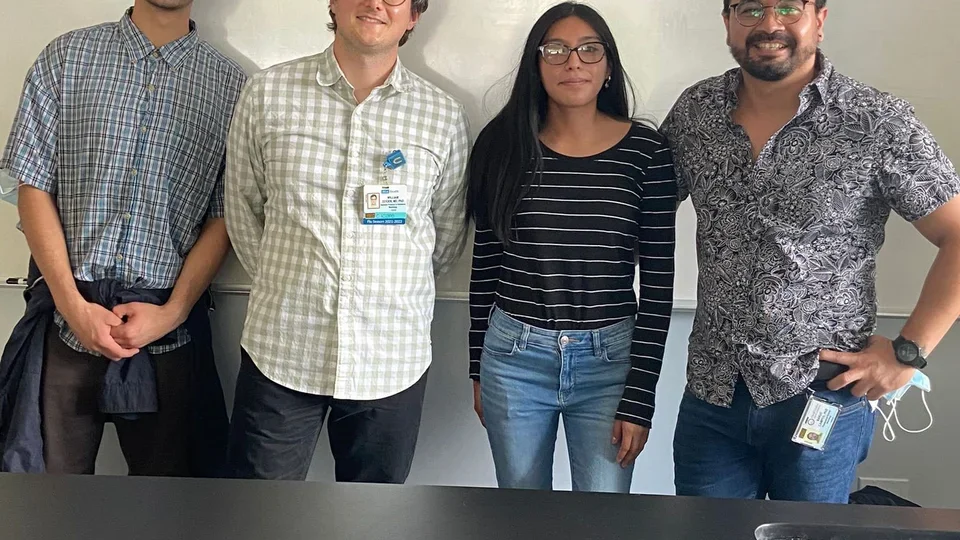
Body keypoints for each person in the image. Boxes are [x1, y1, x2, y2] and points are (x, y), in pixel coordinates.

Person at [661, 0, 960, 502]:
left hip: (823, 395)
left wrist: (908, 353)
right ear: (728, 22)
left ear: (819, 21)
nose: (769, 24)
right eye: (751, 9)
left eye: (787, 8)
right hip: (712, 395)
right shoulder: (696, 112)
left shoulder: (876, 120)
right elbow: (634, 200)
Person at [224, 0, 470, 483]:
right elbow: (243, 209)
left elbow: (445, 235)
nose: (375, 3)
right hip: (282, 350)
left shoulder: (442, 116)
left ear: (414, 16)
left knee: (375, 522)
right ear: (333, 3)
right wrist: (291, 280)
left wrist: (385, 286)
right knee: (256, 518)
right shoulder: (267, 94)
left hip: (391, 357)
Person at [0, 0, 246, 476]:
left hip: (167, 327)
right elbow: (32, 185)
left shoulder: (231, 87)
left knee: (172, 504)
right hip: (66, 318)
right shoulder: (67, 57)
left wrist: (172, 312)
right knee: (47, 499)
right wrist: (73, 305)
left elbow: (225, 216)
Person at [467, 2, 677, 493]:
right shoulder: (503, 145)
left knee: (603, 516)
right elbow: (486, 266)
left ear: (608, 67)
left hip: (610, 365)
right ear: (536, 65)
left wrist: (640, 396)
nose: (573, 62)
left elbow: (660, 284)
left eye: (589, 50)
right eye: (556, 50)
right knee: (522, 515)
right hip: (514, 358)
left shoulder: (647, 152)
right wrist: (477, 365)